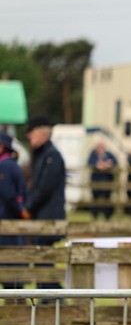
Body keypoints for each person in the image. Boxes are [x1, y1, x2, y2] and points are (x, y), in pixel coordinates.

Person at [23, 116, 65, 289]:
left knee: (43, 261)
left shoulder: (51, 157)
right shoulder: (43, 155)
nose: (29, 137)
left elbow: (43, 189)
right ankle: (50, 301)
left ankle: (54, 299)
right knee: (42, 260)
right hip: (42, 216)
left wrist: (28, 208)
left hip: (47, 217)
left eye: (31, 133)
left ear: (42, 133)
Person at [0, 132, 28, 291]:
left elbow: (8, 194)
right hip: (11, 218)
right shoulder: (12, 164)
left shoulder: (4, 166)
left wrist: (20, 211)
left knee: (7, 261)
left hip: (6, 219)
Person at [86, 140, 118, 219]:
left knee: (107, 199)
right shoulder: (93, 155)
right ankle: (95, 216)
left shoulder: (109, 155)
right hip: (96, 181)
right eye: (99, 147)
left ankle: (108, 216)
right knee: (95, 199)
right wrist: (97, 165)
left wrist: (109, 165)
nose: (101, 149)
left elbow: (115, 162)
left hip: (107, 181)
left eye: (102, 147)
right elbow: (90, 163)